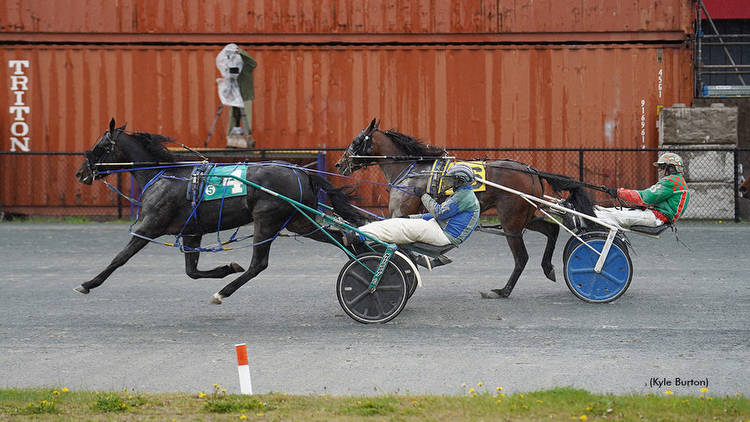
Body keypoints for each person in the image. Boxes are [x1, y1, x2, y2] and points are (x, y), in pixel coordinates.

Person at [344, 164, 480, 264]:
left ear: (460, 181)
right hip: (440, 229)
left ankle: (360, 235)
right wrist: (410, 217)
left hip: (444, 235)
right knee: (398, 222)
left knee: (401, 228)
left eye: (452, 180)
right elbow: (435, 216)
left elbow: (438, 213)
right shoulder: (463, 194)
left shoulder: (463, 197)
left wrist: (424, 196)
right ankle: (363, 232)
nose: (448, 182)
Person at [595, 152, 690, 229]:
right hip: (655, 215)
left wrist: (618, 192)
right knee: (603, 211)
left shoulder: (671, 181)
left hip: (656, 217)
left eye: (661, 167)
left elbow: (644, 198)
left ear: (671, 168)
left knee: (606, 216)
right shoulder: (678, 181)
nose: (659, 170)